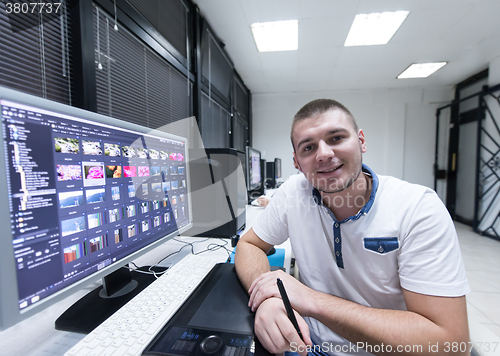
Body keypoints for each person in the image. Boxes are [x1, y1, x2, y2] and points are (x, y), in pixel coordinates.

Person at [234, 99, 470, 356]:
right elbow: (249, 245)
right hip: (309, 346)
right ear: (297, 162)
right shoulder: (294, 193)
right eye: (308, 147)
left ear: (361, 141)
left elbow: (450, 346)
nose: (323, 153)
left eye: (335, 138)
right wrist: (267, 298)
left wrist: (311, 300)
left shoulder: (417, 208)